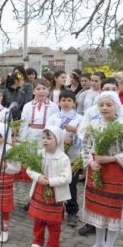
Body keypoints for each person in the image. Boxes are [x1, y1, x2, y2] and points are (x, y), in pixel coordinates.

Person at [79, 91, 123, 247]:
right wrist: (90, 161)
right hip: (96, 170)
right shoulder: (93, 125)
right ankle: (98, 243)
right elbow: (86, 147)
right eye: (101, 105)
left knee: (111, 211)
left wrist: (109, 159)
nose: (104, 108)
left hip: (115, 171)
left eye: (108, 105)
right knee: (97, 208)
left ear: (116, 106)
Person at [27, 126, 71, 247]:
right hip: (40, 189)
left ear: (57, 140)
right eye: (43, 138)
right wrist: (38, 177)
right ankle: (37, 241)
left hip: (55, 193)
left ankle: (53, 245)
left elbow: (67, 177)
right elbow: (30, 169)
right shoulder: (39, 154)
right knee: (38, 220)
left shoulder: (63, 158)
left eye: (49, 138)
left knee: (53, 222)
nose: (45, 140)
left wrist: (50, 181)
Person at [47, 90, 82, 227]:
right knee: (54, 180)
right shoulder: (54, 117)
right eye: (63, 100)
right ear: (59, 102)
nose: (66, 103)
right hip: (56, 154)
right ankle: (53, 207)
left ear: (74, 103)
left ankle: (72, 211)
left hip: (73, 155)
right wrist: (58, 140)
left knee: (71, 183)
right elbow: (47, 132)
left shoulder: (79, 118)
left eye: (69, 100)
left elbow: (86, 135)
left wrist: (74, 136)